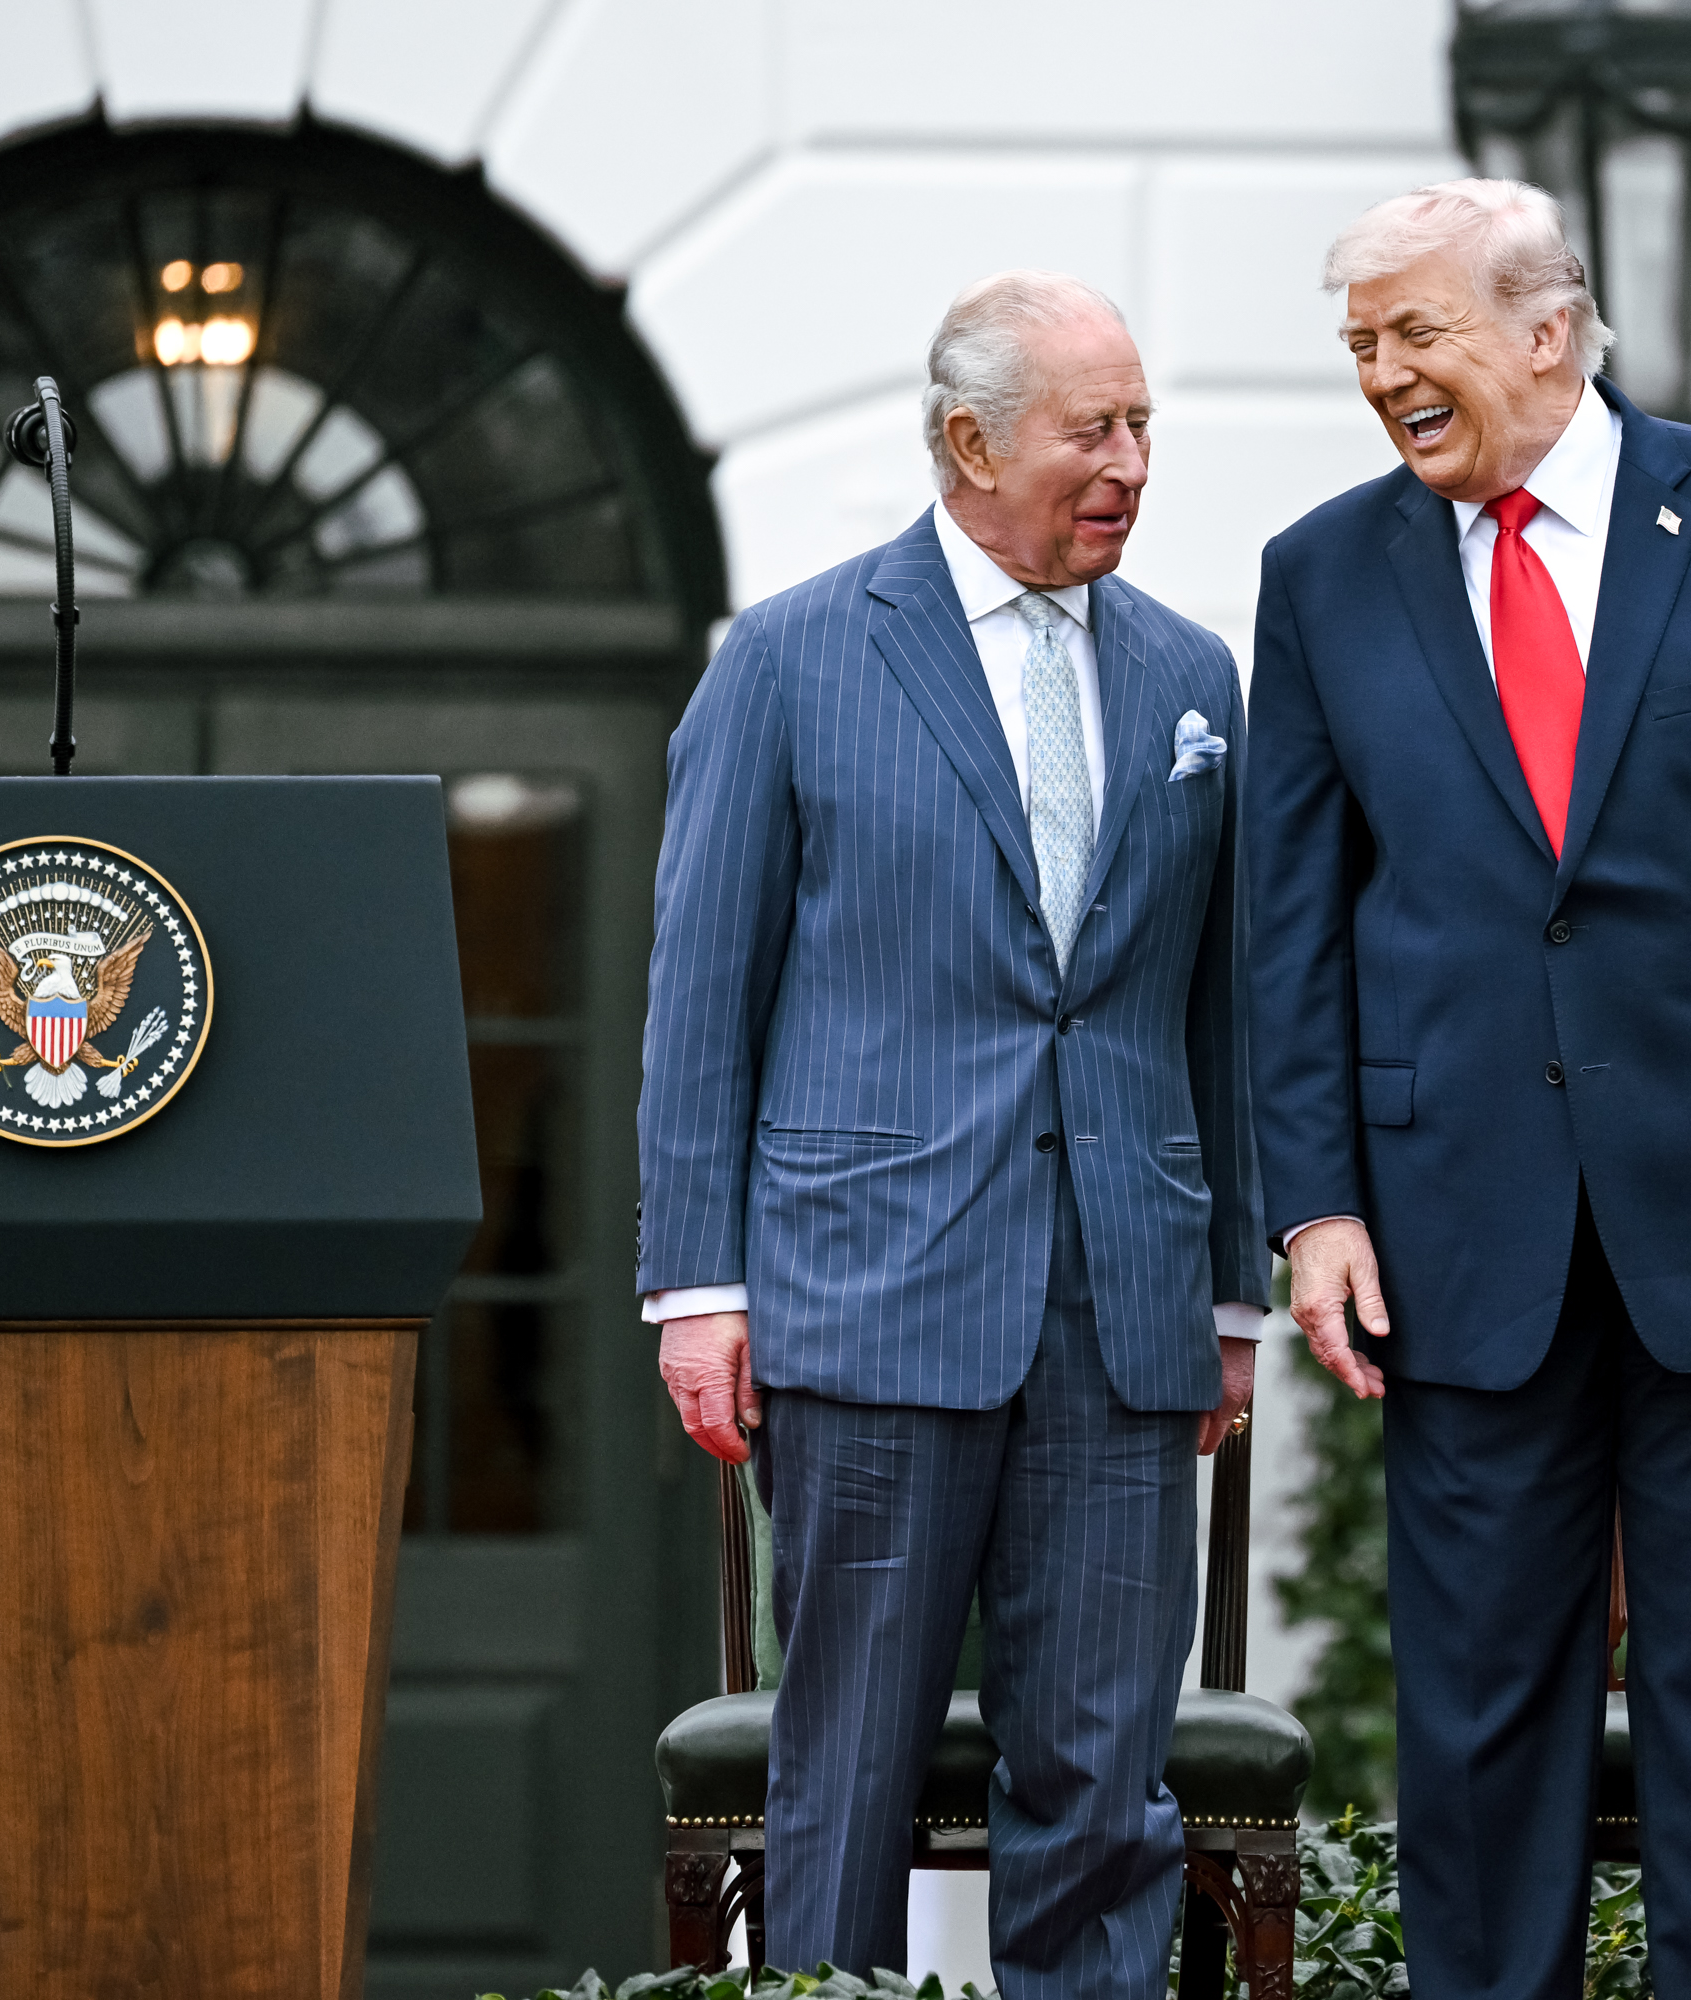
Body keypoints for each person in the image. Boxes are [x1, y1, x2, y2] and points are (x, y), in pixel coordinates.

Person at [1245, 178, 1691, 2000]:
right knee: (1478, 1728)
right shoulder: (1321, 575)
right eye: (1360, 345)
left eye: (1416, 333)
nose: (1382, 375)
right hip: (1454, 1238)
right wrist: (1314, 1206)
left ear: (1547, 330)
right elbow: (1291, 923)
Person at [634, 270, 1267, 1998]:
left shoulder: (1192, 673)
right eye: (1094, 429)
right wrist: (699, 1289)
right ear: (971, 445)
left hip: (1122, 1316)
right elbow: (702, 996)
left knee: (1105, 1788)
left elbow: (1218, 1009)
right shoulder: (791, 657)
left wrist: (1228, 1297)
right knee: (844, 1778)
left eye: (1143, 426)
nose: (1131, 463)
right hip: (869, 1302)